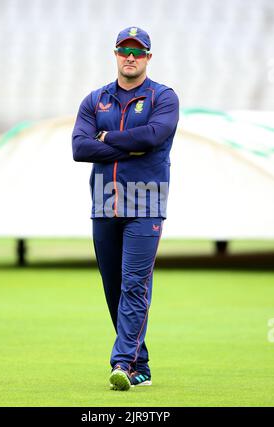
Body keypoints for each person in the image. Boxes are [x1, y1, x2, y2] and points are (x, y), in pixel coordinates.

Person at [72, 26, 179, 391]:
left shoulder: (164, 98)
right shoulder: (95, 99)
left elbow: (153, 136)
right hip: (104, 201)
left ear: (148, 57)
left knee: (134, 284)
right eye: (124, 50)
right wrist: (126, 146)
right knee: (113, 288)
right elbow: (79, 149)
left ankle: (122, 363)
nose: (130, 57)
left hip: (146, 202)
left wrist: (106, 138)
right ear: (115, 54)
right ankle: (141, 364)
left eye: (137, 51)